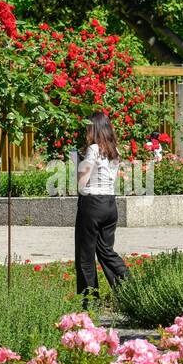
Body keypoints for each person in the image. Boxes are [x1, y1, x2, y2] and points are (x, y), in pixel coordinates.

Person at [75, 111, 130, 306]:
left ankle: (90, 301)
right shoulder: (115, 150)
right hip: (110, 203)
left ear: (93, 128)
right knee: (106, 251)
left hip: (92, 203)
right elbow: (113, 178)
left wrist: (79, 184)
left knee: (85, 255)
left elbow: (84, 175)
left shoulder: (94, 149)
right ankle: (129, 289)